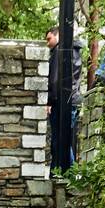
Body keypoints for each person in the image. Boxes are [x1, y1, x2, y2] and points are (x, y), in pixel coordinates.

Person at [46, 25, 83, 169]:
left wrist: (49, 101)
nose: (48, 42)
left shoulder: (59, 51)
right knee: (63, 139)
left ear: (58, 35)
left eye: (49, 38)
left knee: (61, 140)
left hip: (61, 102)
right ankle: (60, 172)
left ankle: (69, 173)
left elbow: (54, 80)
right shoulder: (75, 51)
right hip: (73, 100)